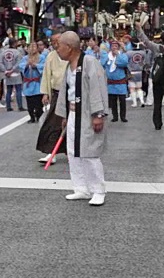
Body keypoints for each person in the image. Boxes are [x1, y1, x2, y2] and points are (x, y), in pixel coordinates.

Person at [55, 31, 108, 207]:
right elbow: (66, 91)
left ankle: (98, 190)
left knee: (89, 151)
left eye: (59, 45)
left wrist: (98, 114)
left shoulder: (89, 62)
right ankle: (81, 188)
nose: (57, 49)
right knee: (72, 151)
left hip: (87, 113)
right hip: (72, 113)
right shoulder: (69, 65)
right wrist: (64, 114)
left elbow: (97, 89)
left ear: (69, 47)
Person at [135, 23, 164, 129]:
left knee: (157, 102)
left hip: (158, 78)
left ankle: (157, 124)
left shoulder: (157, 47)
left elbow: (146, 41)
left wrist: (140, 29)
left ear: (161, 38)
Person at [37, 32, 69, 165]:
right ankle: (52, 152)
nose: (56, 44)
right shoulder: (51, 56)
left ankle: (72, 153)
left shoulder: (73, 54)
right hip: (57, 93)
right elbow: (46, 75)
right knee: (53, 123)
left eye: (58, 41)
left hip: (72, 93)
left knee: (73, 125)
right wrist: (45, 93)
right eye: (53, 41)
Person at [101, 40, 129, 123]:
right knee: (113, 101)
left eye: (116, 46)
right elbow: (102, 64)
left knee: (122, 101)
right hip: (111, 83)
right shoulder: (107, 56)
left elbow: (124, 63)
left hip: (121, 83)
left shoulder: (122, 55)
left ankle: (123, 116)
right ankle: (115, 116)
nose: (114, 48)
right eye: (113, 46)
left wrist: (118, 56)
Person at [20, 42, 45, 123]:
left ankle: (39, 115)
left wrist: (36, 66)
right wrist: (27, 65)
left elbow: (44, 66)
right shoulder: (25, 58)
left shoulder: (41, 57)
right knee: (29, 103)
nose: (32, 49)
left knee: (38, 103)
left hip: (37, 83)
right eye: (31, 47)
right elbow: (21, 66)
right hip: (28, 83)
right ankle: (31, 117)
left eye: (34, 47)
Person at [1, 38, 25, 111]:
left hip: (7, 73)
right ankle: (20, 106)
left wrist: (6, 70)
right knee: (18, 90)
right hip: (16, 72)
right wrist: (12, 70)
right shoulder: (17, 52)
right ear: (14, 44)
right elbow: (19, 63)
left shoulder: (4, 52)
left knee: (9, 90)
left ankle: (8, 106)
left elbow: (1, 62)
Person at [126, 43, 147, 108]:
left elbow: (126, 62)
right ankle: (142, 101)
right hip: (140, 72)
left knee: (132, 88)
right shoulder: (143, 53)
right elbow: (145, 62)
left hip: (131, 72)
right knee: (139, 88)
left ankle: (134, 103)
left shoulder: (128, 53)